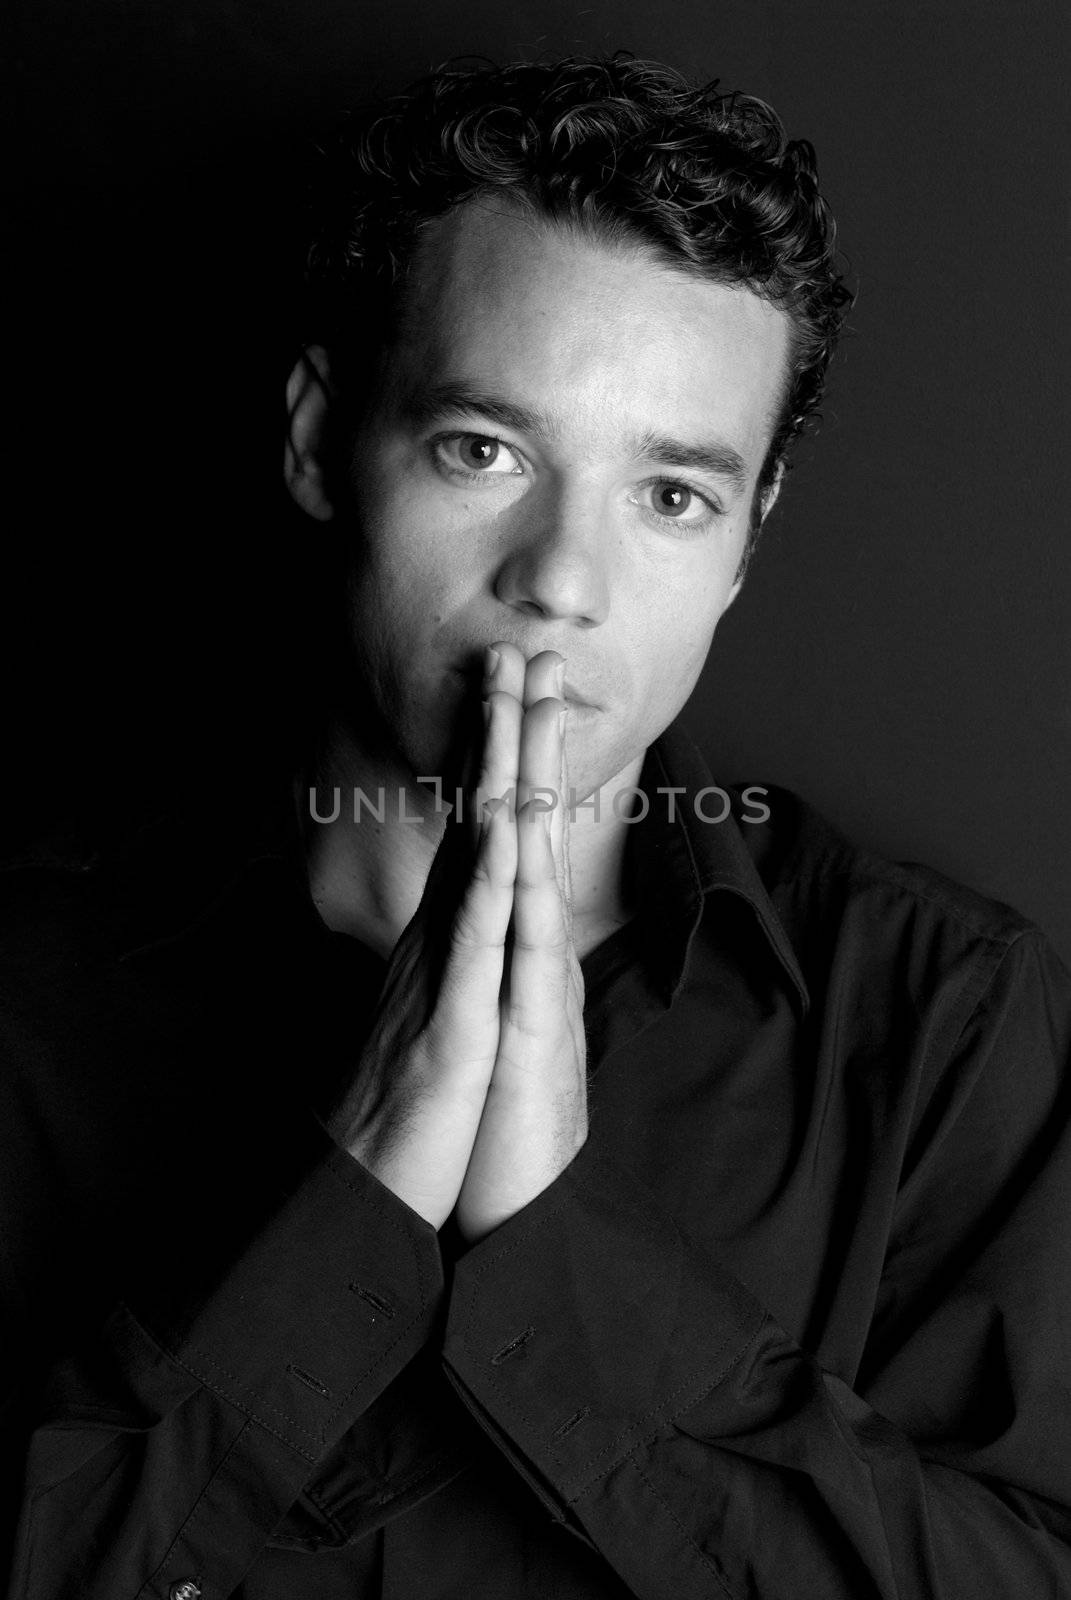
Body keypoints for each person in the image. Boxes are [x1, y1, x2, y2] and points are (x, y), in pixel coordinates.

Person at [3, 54, 1070, 1600]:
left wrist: (559, 1250)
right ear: (317, 441)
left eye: (672, 496)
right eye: (485, 451)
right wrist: (347, 1206)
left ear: (750, 537)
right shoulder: (21, 992)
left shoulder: (948, 1028)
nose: (563, 577)